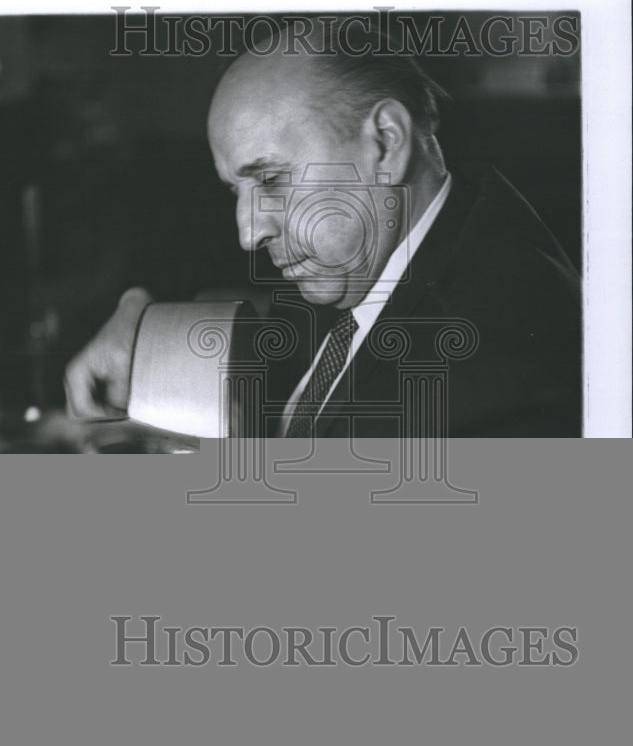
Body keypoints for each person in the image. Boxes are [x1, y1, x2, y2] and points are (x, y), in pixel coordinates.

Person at [65, 23, 581, 437]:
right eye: (235, 192)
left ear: (384, 143)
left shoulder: (494, 379)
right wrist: (149, 327)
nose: (248, 233)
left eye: (270, 178)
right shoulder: (418, 248)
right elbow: (300, 330)